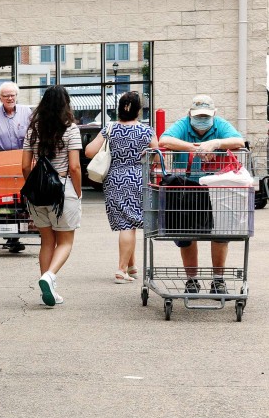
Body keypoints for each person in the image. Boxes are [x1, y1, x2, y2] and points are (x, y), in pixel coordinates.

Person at [158, 94, 245, 294]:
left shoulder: (220, 125)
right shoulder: (183, 125)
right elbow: (165, 139)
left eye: (206, 116)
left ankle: (218, 279)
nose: (202, 120)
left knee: (220, 233)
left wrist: (216, 144)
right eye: (198, 116)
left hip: (217, 187)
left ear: (214, 114)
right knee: (186, 234)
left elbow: (238, 140)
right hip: (187, 187)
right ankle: (192, 280)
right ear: (190, 114)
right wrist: (194, 148)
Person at [84, 91, 157, 283]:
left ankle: (131, 267)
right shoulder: (147, 130)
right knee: (129, 224)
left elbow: (89, 151)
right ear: (139, 110)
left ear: (119, 108)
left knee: (127, 223)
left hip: (115, 179)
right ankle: (121, 270)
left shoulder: (110, 129)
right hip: (137, 179)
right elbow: (156, 156)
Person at [21, 85, 82, 307]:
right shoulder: (71, 130)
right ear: (66, 104)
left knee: (47, 241)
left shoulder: (32, 130)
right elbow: (74, 167)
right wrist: (78, 191)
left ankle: (48, 291)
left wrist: (34, 186)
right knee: (65, 242)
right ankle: (49, 276)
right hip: (62, 189)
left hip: (38, 191)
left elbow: (25, 167)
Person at [0, 82, 33, 252]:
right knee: (3, 200)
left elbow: (32, 136)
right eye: (6, 96)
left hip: (23, 161)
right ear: (0, 98)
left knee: (22, 199)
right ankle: (10, 236)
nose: (10, 98)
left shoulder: (26, 112)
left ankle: (17, 233)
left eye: (12, 95)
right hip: (2, 161)